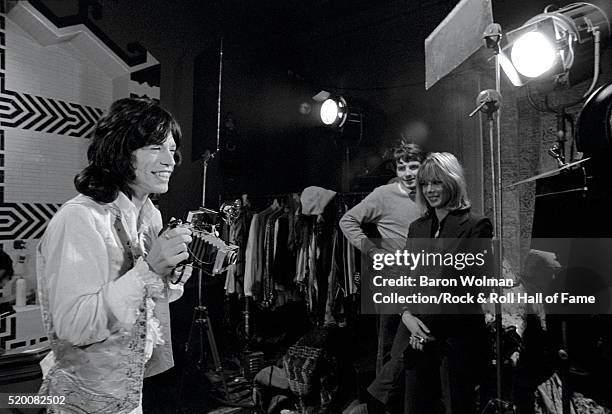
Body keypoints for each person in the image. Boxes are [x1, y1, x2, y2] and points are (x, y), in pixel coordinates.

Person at [36, 98, 192, 413]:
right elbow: (75, 327)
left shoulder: (150, 216)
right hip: (81, 400)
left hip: (129, 394)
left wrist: (172, 273)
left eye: (172, 151)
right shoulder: (81, 218)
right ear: (120, 151)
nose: (170, 161)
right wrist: (149, 268)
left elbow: (147, 302)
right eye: (155, 148)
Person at [395, 152, 492, 413]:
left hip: (456, 338)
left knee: (457, 406)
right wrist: (407, 316)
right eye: (425, 184)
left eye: (436, 182)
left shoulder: (476, 225)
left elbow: (473, 290)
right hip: (419, 335)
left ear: (452, 182)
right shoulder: (417, 227)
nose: (429, 190)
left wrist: (424, 327)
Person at [339, 143, 425, 413]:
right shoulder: (384, 194)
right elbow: (347, 220)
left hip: (424, 276)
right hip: (392, 276)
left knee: (415, 344)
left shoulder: (430, 192)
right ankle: (380, 407)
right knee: (389, 345)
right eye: (402, 167)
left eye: (413, 166)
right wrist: (372, 251)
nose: (408, 173)